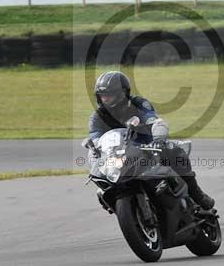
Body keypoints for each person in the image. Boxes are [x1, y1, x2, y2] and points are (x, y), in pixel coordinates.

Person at [87, 70, 215, 209]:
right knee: (102, 192)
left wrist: (158, 138)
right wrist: (96, 155)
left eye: (109, 95)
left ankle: (196, 194)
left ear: (122, 93)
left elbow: (155, 121)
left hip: (148, 147)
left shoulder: (138, 104)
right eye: (102, 95)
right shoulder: (97, 116)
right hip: (120, 157)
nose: (105, 99)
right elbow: (96, 139)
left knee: (176, 153)